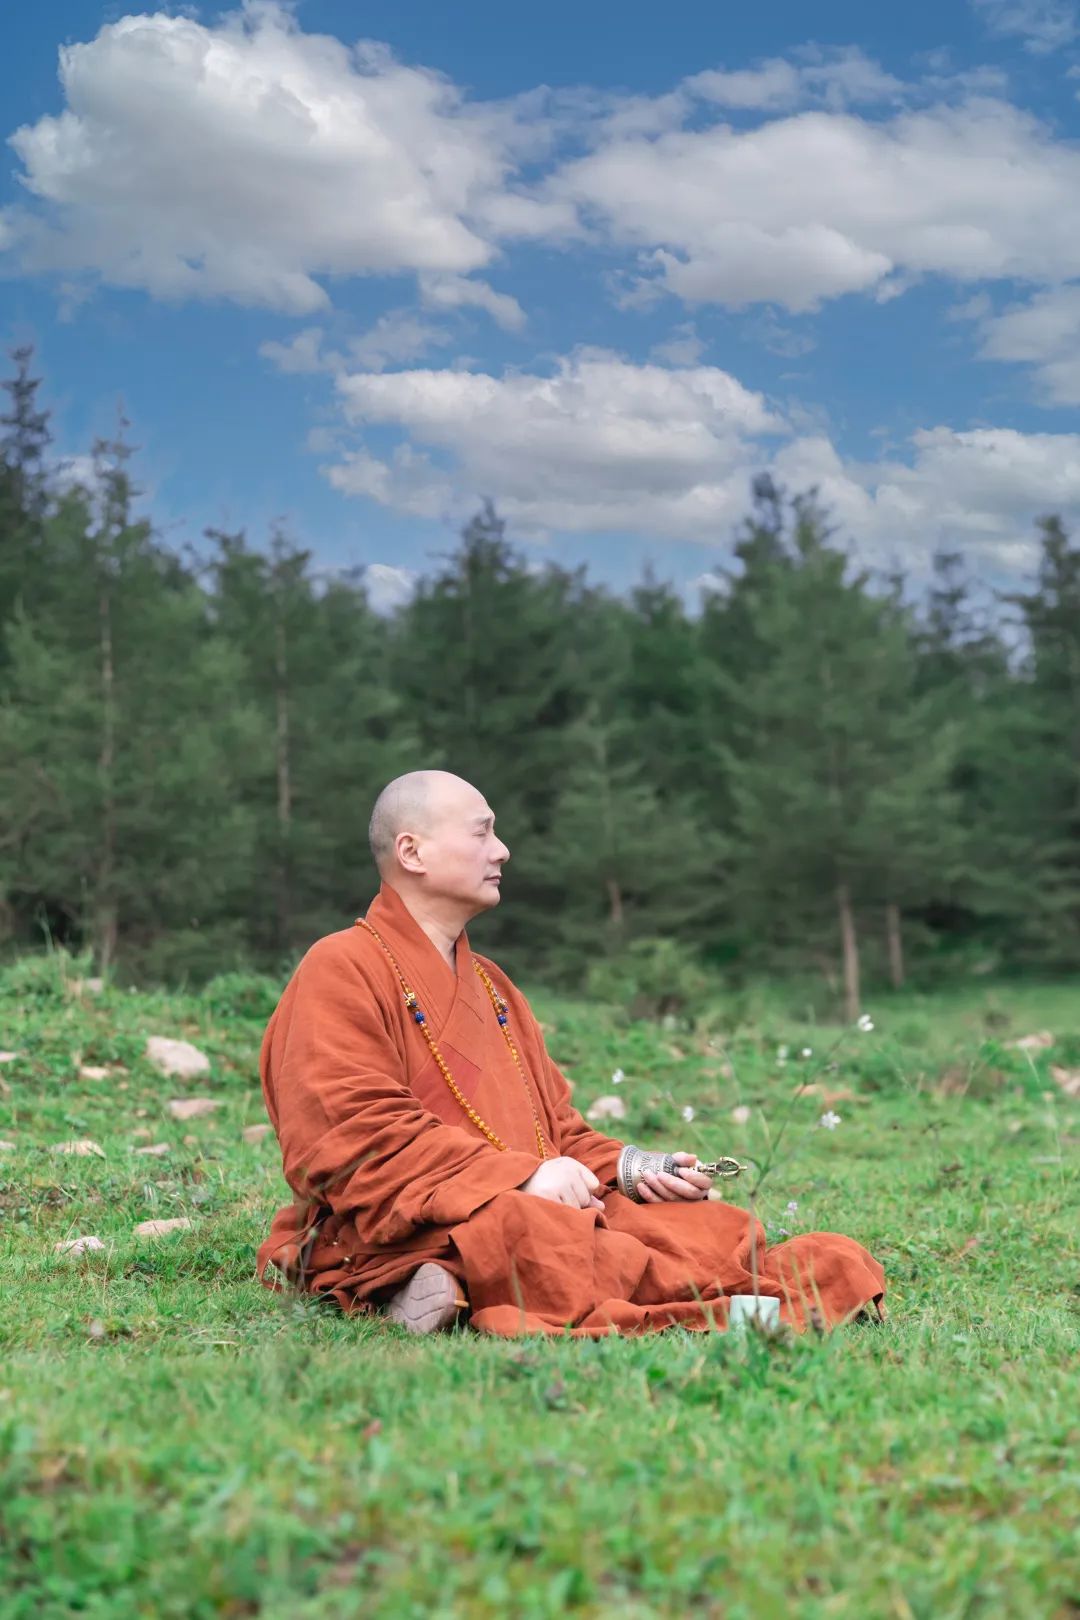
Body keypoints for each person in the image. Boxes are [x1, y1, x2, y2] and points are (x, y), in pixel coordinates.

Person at [256, 770, 885, 1336]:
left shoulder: (494, 987)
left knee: (708, 1228)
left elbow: (554, 1132)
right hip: (411, 1220)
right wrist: (519, 1177)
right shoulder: (340, 967)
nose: (502, 850)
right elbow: (351, 1135)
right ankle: (436, 1275)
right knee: (527, 1232)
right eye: (482, 832)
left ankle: (449, 1283)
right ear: (412, 852)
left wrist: (632, 1169)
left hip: (534, 1207)